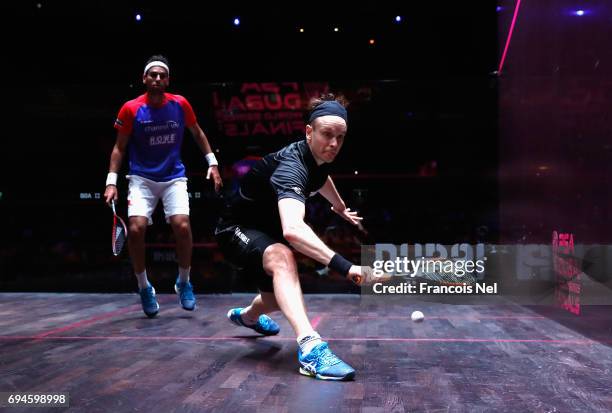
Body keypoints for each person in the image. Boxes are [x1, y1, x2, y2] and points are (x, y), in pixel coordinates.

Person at [215, 94, 368, 381]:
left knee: (275, 301)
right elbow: (293, 230)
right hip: (235, 229)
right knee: (283, 257)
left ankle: (247, 316)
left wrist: (339, 207)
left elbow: (321, 177)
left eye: (340, 137)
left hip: (265, 232)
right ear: (309, 132)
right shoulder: (290, 168)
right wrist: (349, 268)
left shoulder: (317, 155)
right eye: (327, 135)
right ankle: (310, 348)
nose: (334, 144)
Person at [104, 55, 222, 317]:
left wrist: (212, 164)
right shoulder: (131, 109)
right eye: (152, 75)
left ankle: (183, 281)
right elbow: (119, 147)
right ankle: (144, 287)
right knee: (135, 230)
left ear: (167, 80)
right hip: (141, 178)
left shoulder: (180, 104)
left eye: (162, 76)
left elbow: (198, 133)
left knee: (181, 225)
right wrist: (111, 181)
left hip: (173, 177)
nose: (157, 79)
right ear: (144, 79)